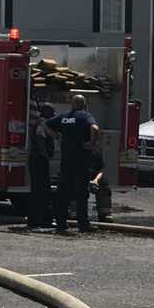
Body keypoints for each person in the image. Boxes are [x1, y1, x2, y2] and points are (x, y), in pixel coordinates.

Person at [47, 94, 99, 233]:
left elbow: (47, 125)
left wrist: (56, 136)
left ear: (72, 104)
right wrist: (91, 144)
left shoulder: (64, 117)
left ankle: (61, 224)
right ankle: (83, 225)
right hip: (81, 161)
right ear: (84, 104)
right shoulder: (85, 116)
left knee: (63, 194)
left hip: (66, 161)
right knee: (81, 193)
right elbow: (95, 128)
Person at [26, 100, 55, 229]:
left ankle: (35, 220)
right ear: (46, 112)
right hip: (39, 160)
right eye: (51, 111)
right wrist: (45, 154)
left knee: (38, 190)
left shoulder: (40, 122)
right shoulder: (42, 123)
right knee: (42, 191)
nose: (53, 114)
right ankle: (41, 220)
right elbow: (39, 137)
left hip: (35, 160)